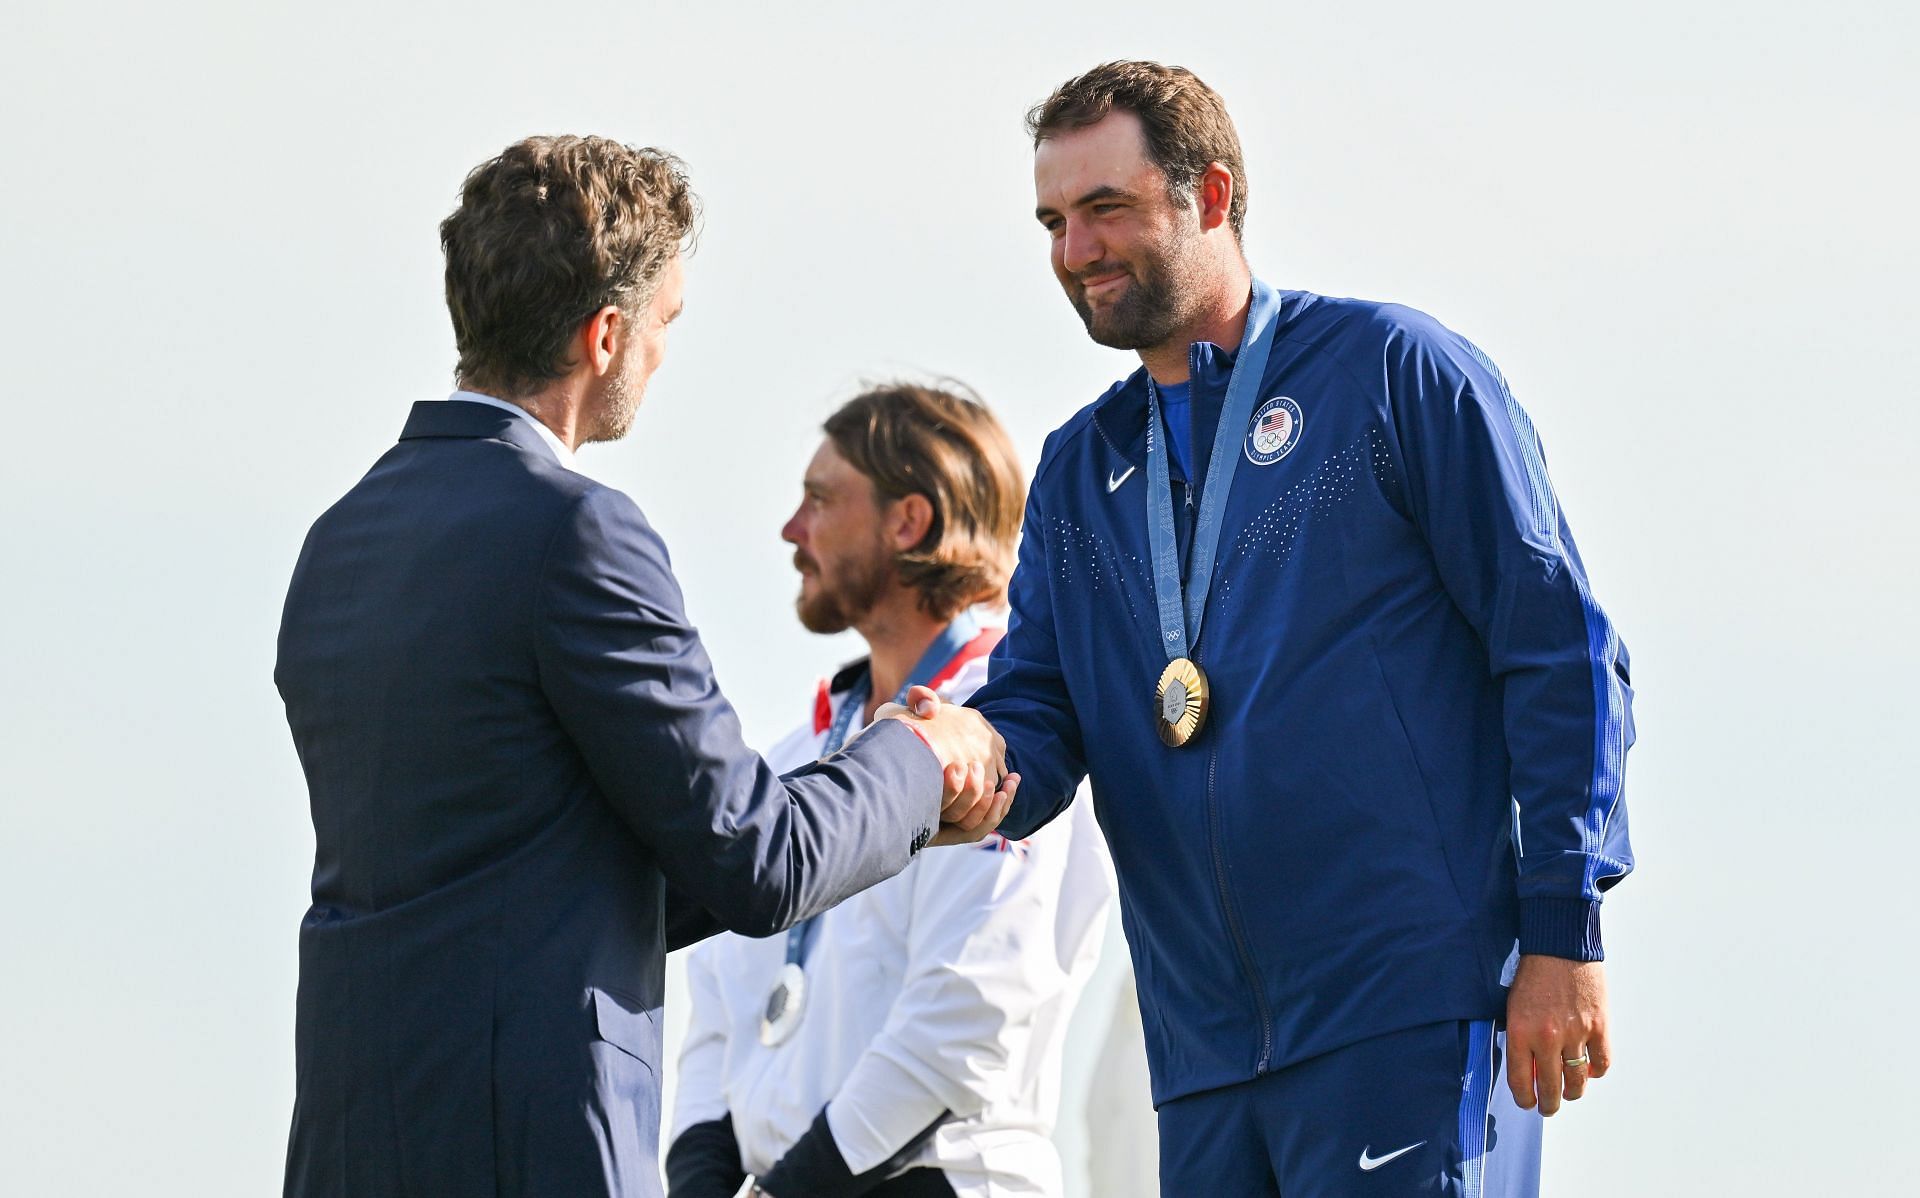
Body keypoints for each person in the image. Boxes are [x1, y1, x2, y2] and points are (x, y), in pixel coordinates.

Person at [273, 136, 1013, 1198]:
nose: (664, 354)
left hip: (350, 1142)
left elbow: (528, 878)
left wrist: (887, 814)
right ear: (606, 335)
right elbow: (758, 859)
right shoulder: (575, 533)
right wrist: (914, 756)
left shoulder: (338, 540)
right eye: (665, 324)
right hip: (529, 1144)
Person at [965, 61, 1637, 1196]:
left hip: (1413, 1018)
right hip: (1203, 1056)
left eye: (1106, 210)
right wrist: (949, 765)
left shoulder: (1390, 374)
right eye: (1054, 221)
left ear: (1211, 196)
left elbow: (1559, 652)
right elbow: (1037, 717)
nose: (1075, 253)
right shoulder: (1081, 470)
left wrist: (1564, 931)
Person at [666, 384, 1114, 1198]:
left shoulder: (1010, 735)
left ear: (907, 522)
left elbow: (964, 1019)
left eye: (818, 500)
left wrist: (782, 1194)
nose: (791, 531)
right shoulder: (794, 754)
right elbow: (718, 999)